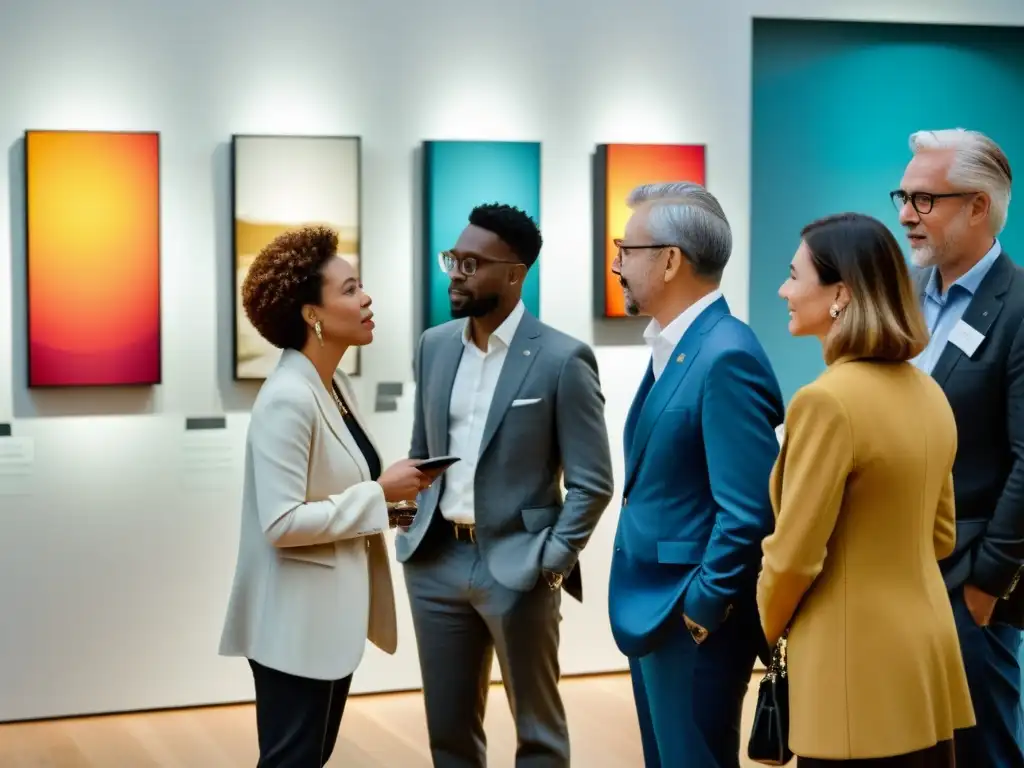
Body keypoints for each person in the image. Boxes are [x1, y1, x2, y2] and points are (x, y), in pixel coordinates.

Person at [395, 203, 614, 768]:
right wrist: (412, 518)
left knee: (538, 733)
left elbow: (594, 481)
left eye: (472, 264)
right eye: (453, 260)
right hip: (436, 561)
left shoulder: (563, 359)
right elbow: (424, 453)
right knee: (448, 734)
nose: (456, 274)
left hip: (520, 566)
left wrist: (553, 561)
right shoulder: (435, 345)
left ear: (514, 274)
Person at [758, 212, 976, 766]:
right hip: (926, 657)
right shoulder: (928, 393)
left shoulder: (826, 401)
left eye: (793, 275)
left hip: (852, 669)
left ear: (841, 294)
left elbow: (794, 558)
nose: (783, 289)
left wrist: (763, 627)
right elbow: (942, 536)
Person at [218, 225, 436, 767]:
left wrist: (392, 504)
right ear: (312, 314)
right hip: (294, 625)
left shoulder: (333, 384)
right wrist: (378, 493)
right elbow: (282, 522)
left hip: (325, 620)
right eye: (349, 289)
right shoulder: (288, 398)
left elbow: (333, 492)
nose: (366, 299)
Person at [607, 182, 784, 768]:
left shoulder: (725, 353)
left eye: (625, 249)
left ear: (670, 260)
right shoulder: (679, 346)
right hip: (655, 610)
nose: (616, 264)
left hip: (688, 617)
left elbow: (749, 509)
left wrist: (703, 608)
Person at [895, 127, 1024, 768]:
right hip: (896, 574)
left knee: (983, 750)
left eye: (925, 201)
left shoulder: (1020, 306)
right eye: (903, 196)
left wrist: (987, 587)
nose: (905, 215)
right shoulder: (907, 297)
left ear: (978, 206)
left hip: (969, 579)